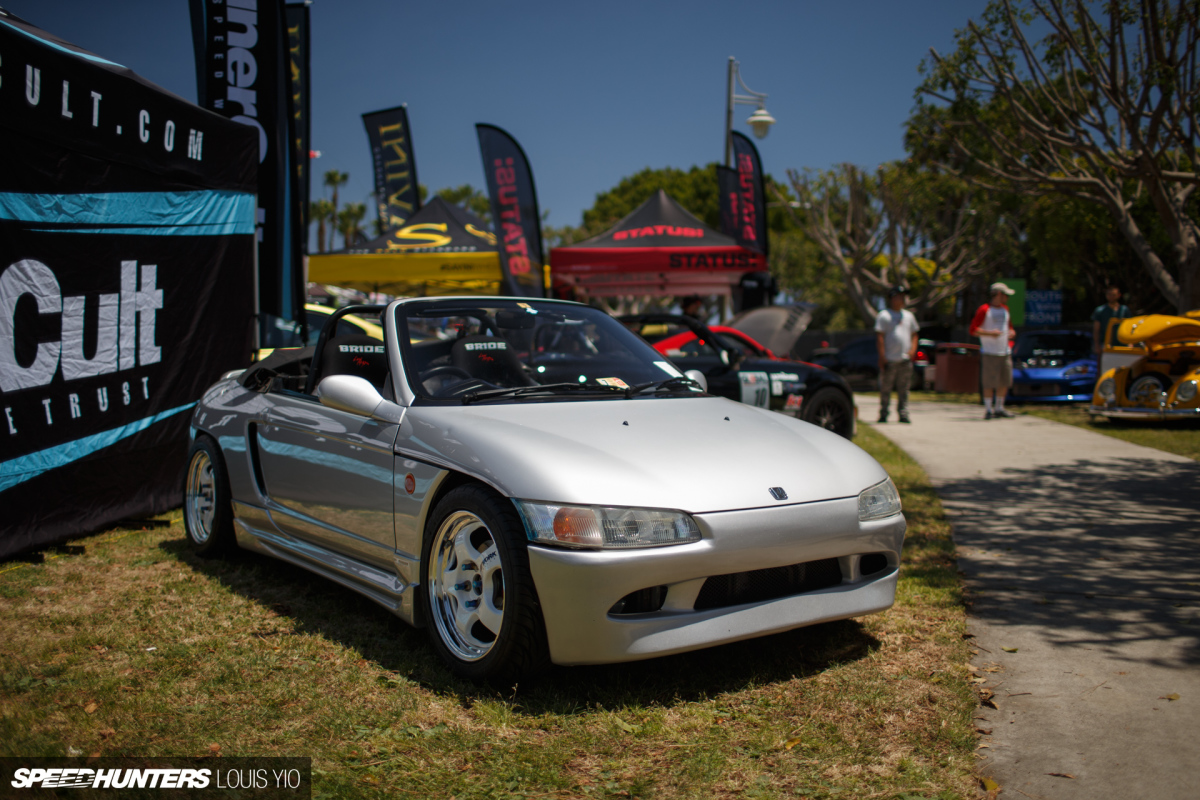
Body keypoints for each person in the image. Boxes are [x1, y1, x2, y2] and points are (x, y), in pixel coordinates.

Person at [970, 282, 1018, 419]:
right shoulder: (985, 309)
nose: (1007, 298)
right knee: (989, 382)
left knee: (1004, 381)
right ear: (998, 294)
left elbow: (1009, 327)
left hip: (1005, 351)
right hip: (990, 352)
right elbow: (973, 330)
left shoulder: (1005, 309)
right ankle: (988, 409)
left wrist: (1012, 332)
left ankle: (999, 408)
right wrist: (990, 333)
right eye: (1005, 295)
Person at [875, 285, 920, 423]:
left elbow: (914, 334)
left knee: (904, 389)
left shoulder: (909, 316)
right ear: (892, 298)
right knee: (886, 388)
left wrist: (912, 351)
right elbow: (880, 336)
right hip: (889, 359)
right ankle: (884, 413)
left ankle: (903, 413)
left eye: (903, 297)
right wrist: (882, 356)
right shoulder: (884, 315)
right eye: (899, 296)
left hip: (904, 359)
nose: (901, 299)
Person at [1091, 285, 1131, 354]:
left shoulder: (1124, 310)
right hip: (1106, 345)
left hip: (1123, 345)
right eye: (1109, 294)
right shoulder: (1100, 310)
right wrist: (1097, 345)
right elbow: (1096, 330)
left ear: (1119, 295)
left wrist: (1130, 343)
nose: (1111, 297)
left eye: (1114, 295)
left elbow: (1129, 327)